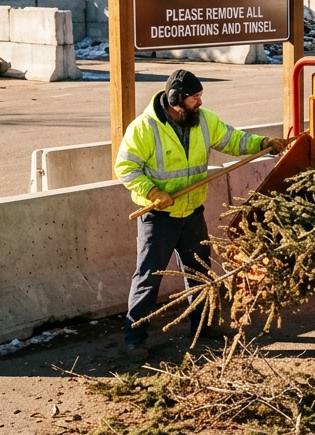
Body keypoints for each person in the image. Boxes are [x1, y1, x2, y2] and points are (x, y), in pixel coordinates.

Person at [114, 69, 287, 350]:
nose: (200, 103)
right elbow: (125, 167)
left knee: (201, 274)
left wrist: (262, 143)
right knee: (148, 278)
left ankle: (203, 328)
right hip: (158, 218)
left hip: (192, 213)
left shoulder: (204, 121)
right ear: (175, 99)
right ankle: (135, 339)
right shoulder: (145, 128)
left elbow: (233, 140)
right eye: (195, 98)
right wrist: (152, 191)